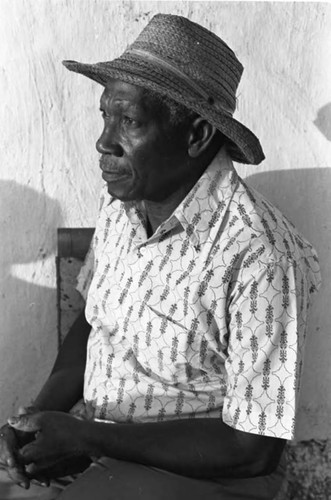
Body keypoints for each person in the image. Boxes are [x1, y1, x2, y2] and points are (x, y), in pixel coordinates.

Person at [0, 13, 321, 500]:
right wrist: (39, 421)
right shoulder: (122, 204)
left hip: (206, 475)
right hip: (107, 447)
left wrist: (89, 437)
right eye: (106, 116)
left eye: (129, 122)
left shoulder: (259, 255)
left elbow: (253, 449)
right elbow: (92, 323)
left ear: (195, 135)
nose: (104, 142)